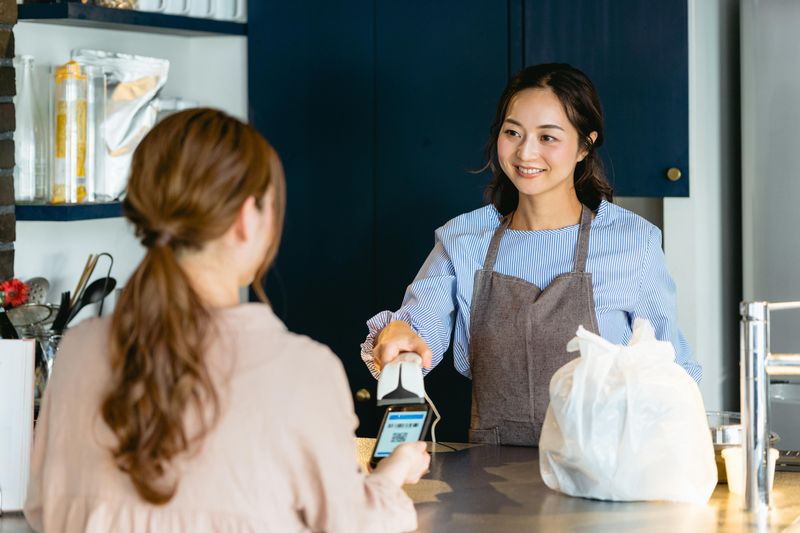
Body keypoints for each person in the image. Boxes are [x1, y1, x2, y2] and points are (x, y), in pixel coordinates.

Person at [25, 108, 429, 532]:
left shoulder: (78, 349)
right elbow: (352, 525)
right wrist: (393, 474)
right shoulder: (301, 370)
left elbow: (41, 509)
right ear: (244, 218)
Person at [360, 63, 702, 447]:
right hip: (489, 484)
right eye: (513, 133)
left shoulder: (632, 242)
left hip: (603, 479)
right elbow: (417, 334)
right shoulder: (464, 240)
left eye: (548, 137)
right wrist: (400, 337)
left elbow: (672, 370)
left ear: (585, 145)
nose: (526, 152)